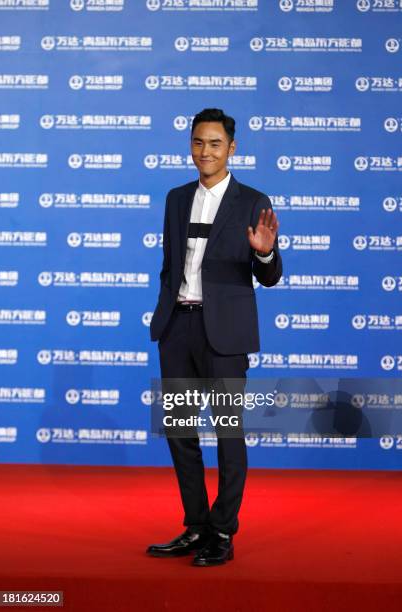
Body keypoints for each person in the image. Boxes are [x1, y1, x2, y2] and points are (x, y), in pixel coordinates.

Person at [147, 108, 282, 566]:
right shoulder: (175, 198)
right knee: (181, 433)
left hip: (224, 335)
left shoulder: (253, 201)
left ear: (232, 148)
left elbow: (270, 275)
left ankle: (223, 531)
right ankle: (196, 525)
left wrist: (264, 255)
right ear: (190, 145)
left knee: (228, 433)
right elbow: (172, 266)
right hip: (177, 329)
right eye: (199, 142)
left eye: (216, 144)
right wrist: (165, 315)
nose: (206, 151)